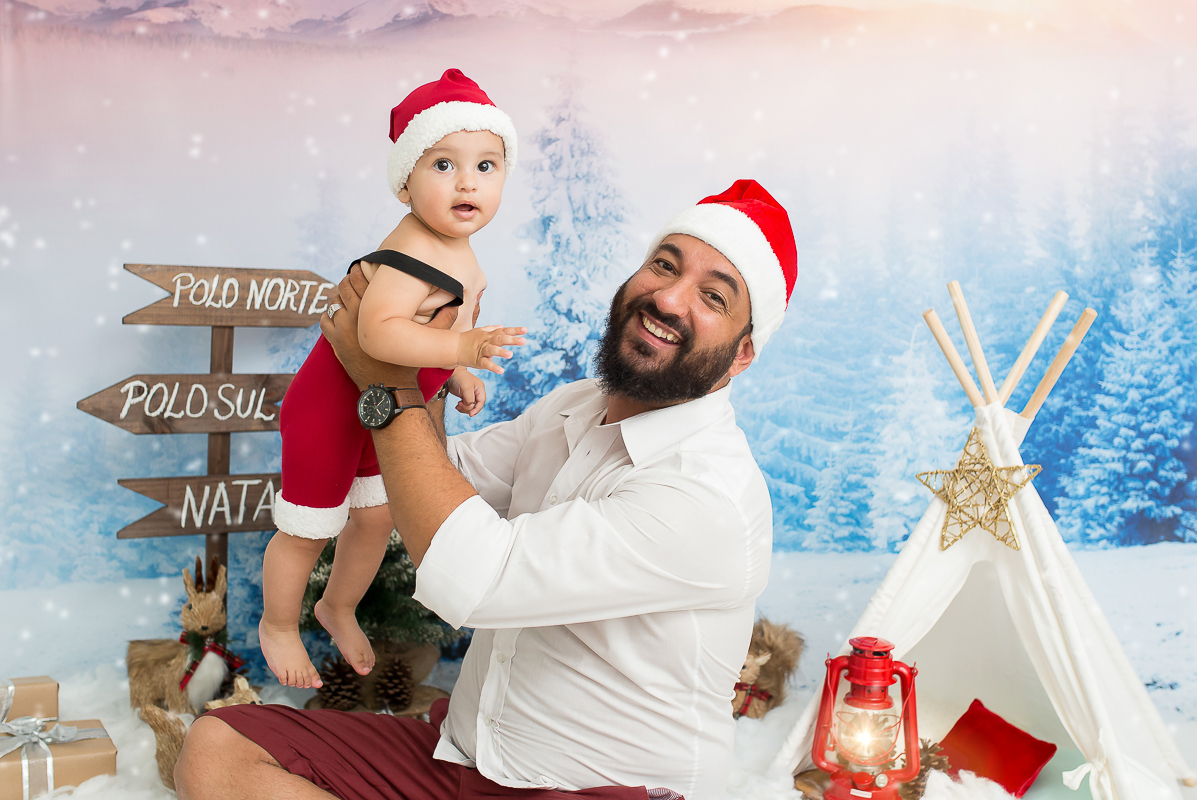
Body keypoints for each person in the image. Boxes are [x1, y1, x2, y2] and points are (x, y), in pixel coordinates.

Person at [176, 179, 798, 800]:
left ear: (742, 354)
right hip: (468, 759)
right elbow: (432, 479)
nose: (668, 298)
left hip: (600, 791)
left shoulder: (707, 495)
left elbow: (470, 578)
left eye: (713, 296)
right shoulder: (575, 407)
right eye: (664, 265)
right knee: (218, 751)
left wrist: (385, 380)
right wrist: (424, 349)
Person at [260, 68, 527, 690]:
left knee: (376, 518)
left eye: (486, 166)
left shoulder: (456, 248)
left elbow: (435, 323)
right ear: (406, 184)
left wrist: (453, 369)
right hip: (330, 411)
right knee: (307, 530)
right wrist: (460, 346)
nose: (467, 181)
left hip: (376, 409)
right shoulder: (410, 253)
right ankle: (279, 623)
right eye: (444, 165)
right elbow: (379, 333)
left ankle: (337, 607)